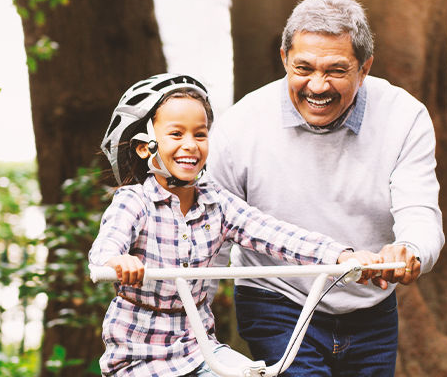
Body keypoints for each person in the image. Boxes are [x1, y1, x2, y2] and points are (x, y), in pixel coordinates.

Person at [207, 0, 445, 376]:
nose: (317, 86)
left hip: (371, 308)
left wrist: (411, 249)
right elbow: (209, 229)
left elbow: (420, 209)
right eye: (303, 68)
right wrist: (191, 325)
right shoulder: (241, 124)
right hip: (277, 298)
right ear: (284, 58)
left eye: (336, 70)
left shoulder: (404, 117)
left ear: (364, 68)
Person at [89, 73, 384, 377]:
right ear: (143, 147)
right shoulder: (134, 202)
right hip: (139, 354)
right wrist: (116, 260)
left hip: (198, 348)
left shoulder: (217, 203)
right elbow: (106, 246)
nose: (190, 145)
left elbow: (274, 233)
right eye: (176, 135)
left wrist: (341, 256)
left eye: (200, 135)